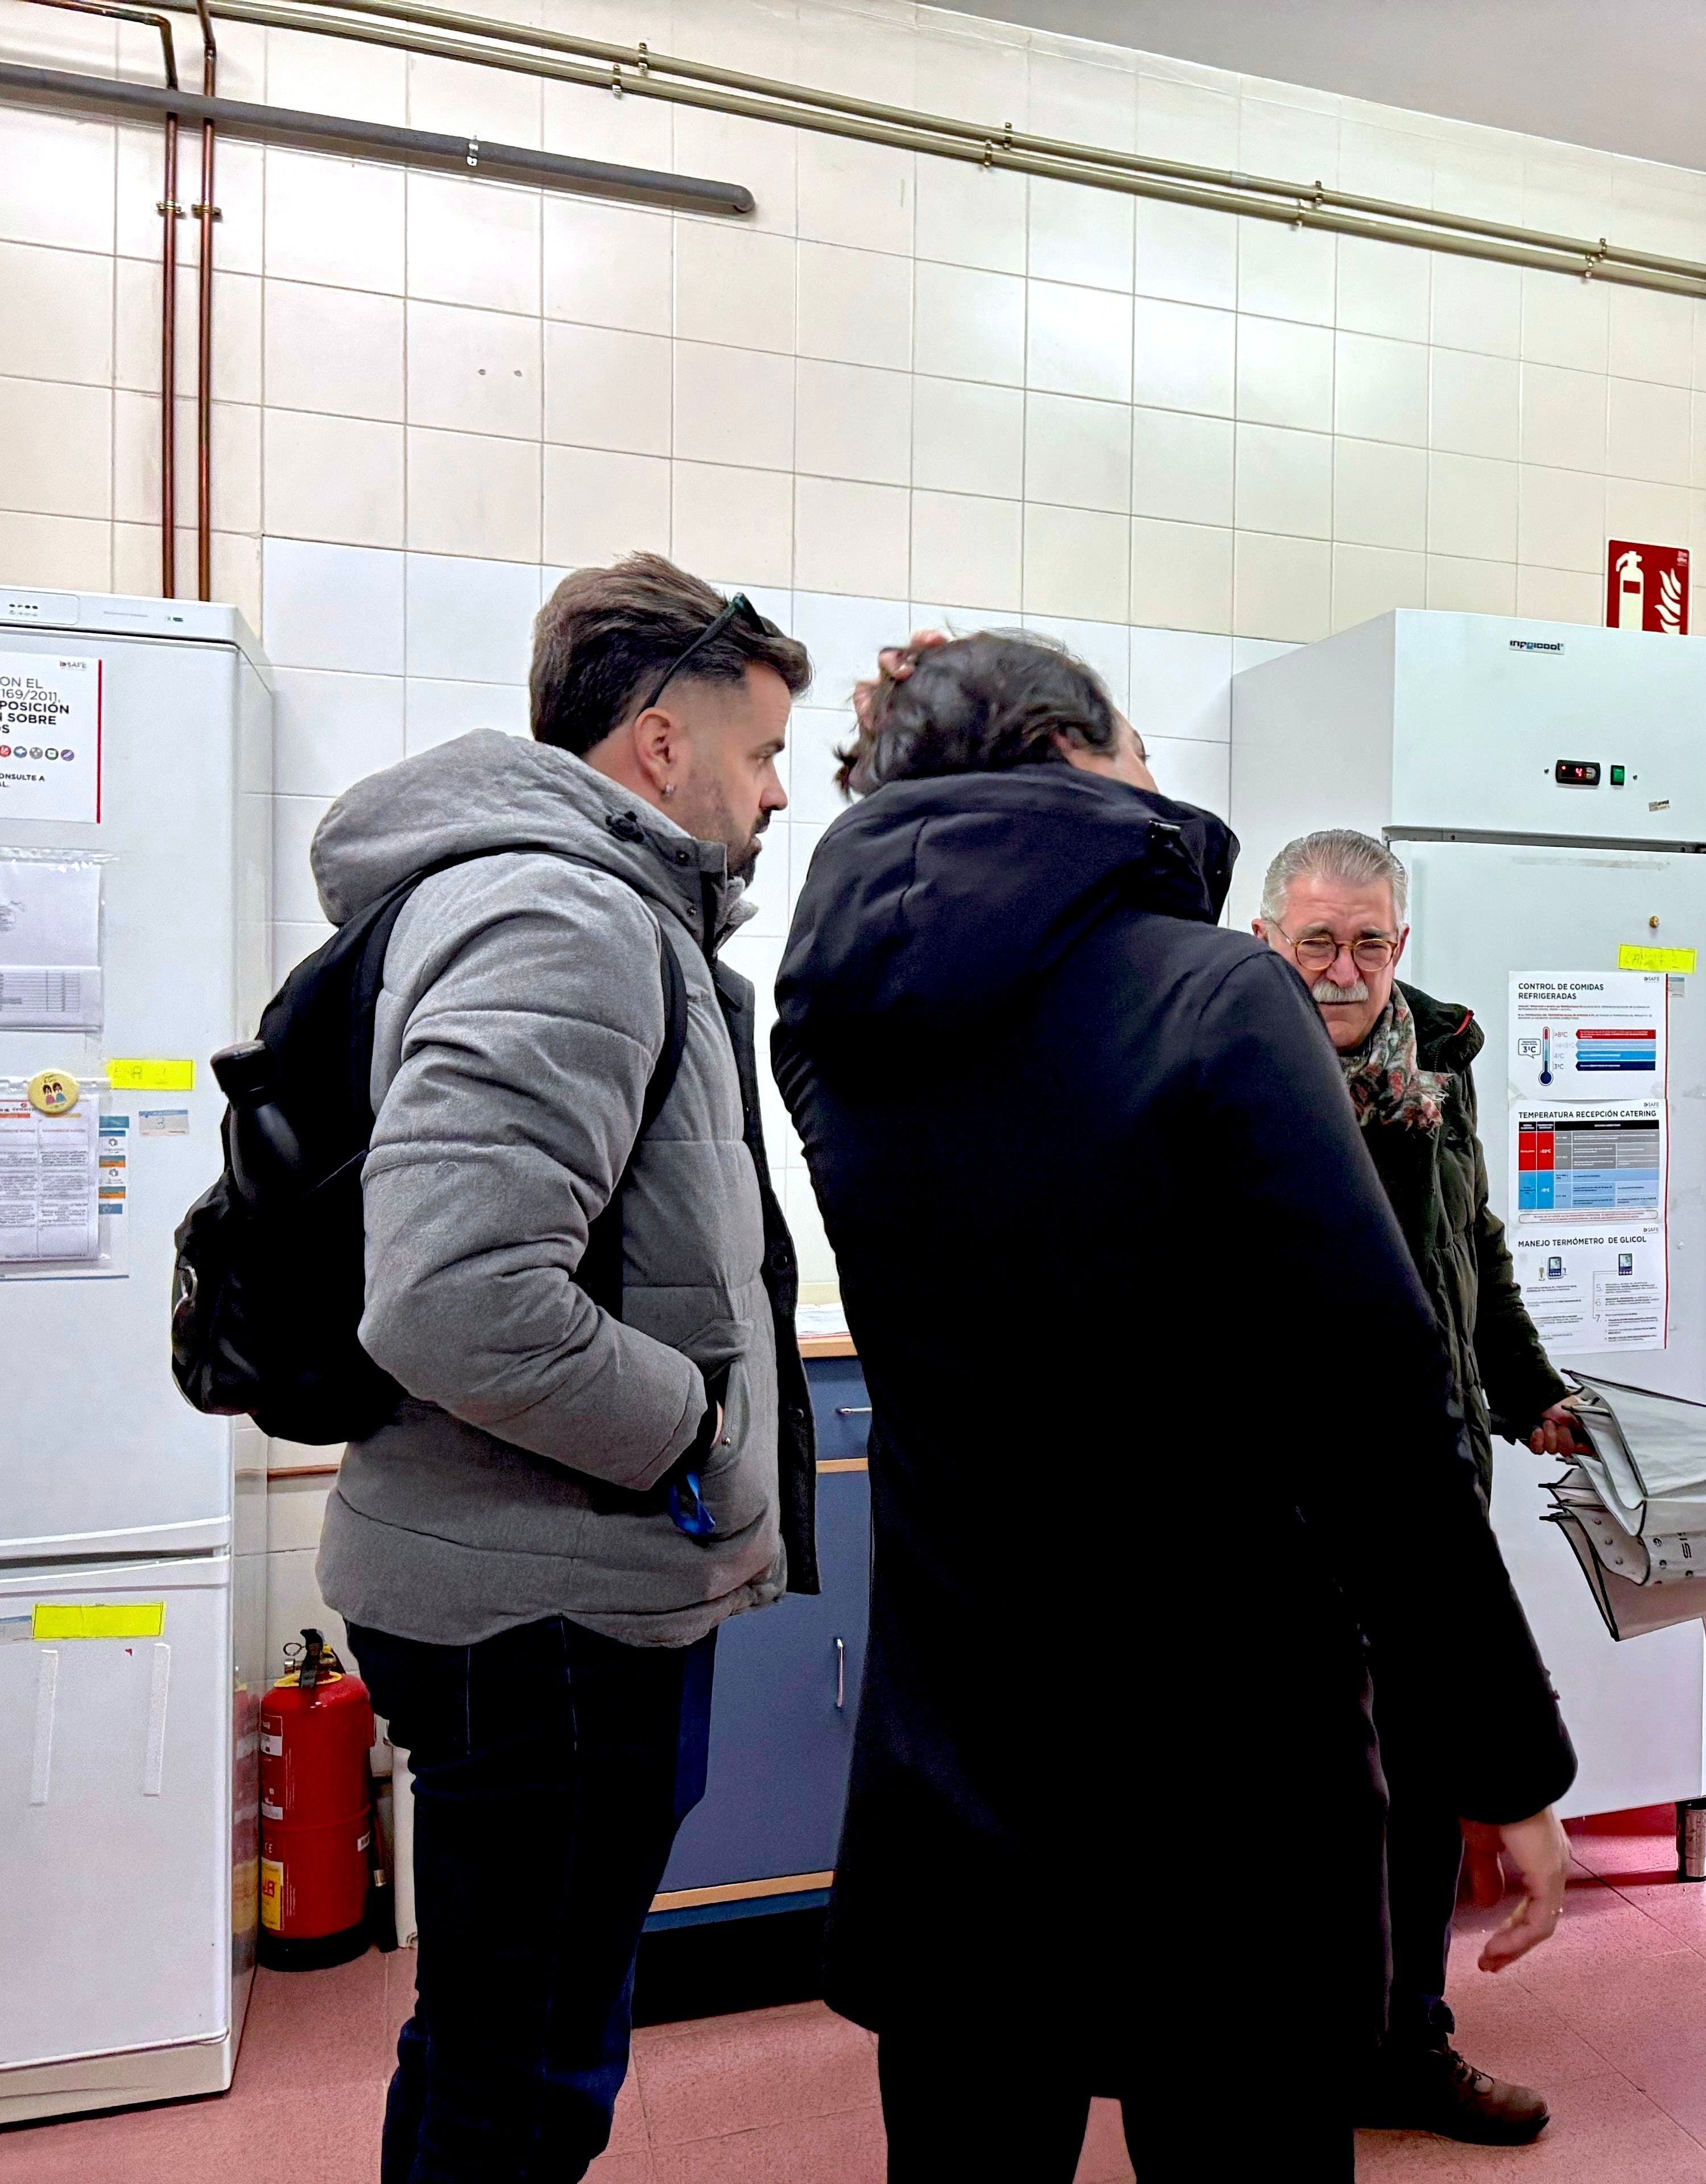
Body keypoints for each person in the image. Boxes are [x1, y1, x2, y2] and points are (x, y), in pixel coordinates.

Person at [774, 632, 1579, 2182]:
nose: (1159, 777)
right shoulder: (1215, 994)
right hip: (1223, 1786)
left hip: (958, 1761)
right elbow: (1381, 1408)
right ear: (1073, 759)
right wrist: (1506, 1760)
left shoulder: (830, 1024)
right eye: (1136, 742)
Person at [311, 555, 819, 2184]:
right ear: (661, 749)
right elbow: (454, 1293)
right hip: (554, 1612)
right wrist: (691, 1430)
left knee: (489, 2034)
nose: (778, 793)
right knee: (524, 2082)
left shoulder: (555, 901)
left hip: (521, 1582)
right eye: (759, 755)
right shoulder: (564, 912)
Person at [1249, 828, 1581, 2146]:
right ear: (1270, 937)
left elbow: (1475, 1247)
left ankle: (1405, 2041)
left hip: (1426, 1473)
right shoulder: (1222, 1051)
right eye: (1317, 941)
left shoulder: (1440, 1066)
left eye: (1367, 944)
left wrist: (1528, 1391)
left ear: (1401, 945)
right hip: (1276, 1496)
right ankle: (1279, 2055)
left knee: (1422, 1770)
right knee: (1289, 1786)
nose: (1341, 971)